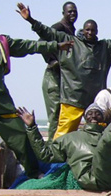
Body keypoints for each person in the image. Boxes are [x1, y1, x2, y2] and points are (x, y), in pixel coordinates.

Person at [0, 8, 72, 181]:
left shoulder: (2, 42)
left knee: (21, 138)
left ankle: (33, 173)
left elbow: (30, 46)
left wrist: (56, 46)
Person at [17, 3, 111, 139]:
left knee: (98, 135)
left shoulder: (105, 48)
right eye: (87, 30)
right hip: (72, 100)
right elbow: (47, 32)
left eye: (92, 30)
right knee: (61, 136)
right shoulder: (70, 42)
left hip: (94, 104)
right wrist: (30, 19)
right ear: (83, 30)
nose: (89, 32)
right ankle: (56, 164)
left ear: (97, 32)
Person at [41, 1, 78, 141]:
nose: (73, 14)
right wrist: (51, 60)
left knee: (63, 114)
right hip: (53, 78)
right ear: (63, 13)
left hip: (63, 78)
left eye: (74, 11)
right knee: (55, 115)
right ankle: (52, 150)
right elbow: (41, 42)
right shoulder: (58, 27)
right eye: (70, 11)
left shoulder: (72, 30)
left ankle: (59, 147)